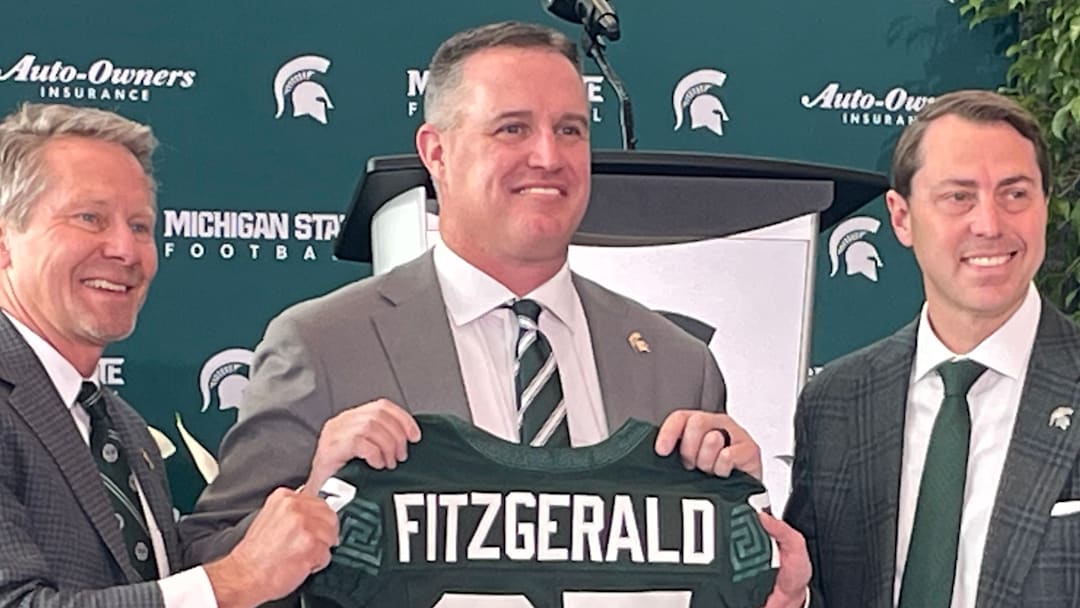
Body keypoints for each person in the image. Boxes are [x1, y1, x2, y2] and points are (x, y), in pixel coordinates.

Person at [180, 20, 810, 607]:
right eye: (512, 128)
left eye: (570, 130)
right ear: (437, 152)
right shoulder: (322, 344)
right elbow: (211, 565)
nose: (548, 156)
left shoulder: (678, 364)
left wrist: (766, 576)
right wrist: (313, 497)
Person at [0, 102, 339, 607]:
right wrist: (238, 579)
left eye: (140, 226)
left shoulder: (123, 427)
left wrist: (319, 492)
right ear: (5, 241)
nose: (125, 249)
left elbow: (168, 586)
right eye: (90, 218)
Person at [784, 89, 1080, 607]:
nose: (990, 224)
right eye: (958, 197)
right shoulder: (835, 402)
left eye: (1015, 194)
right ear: (901, 218)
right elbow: (817, 590)